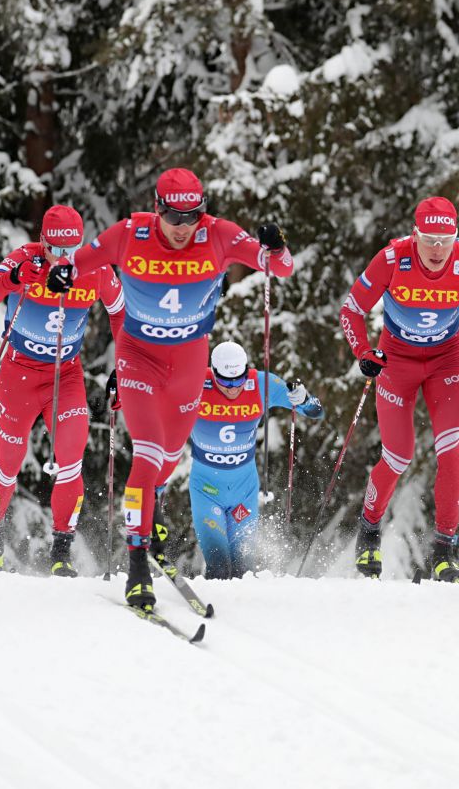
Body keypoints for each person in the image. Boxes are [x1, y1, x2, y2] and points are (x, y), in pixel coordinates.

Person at [46, 168, 294, 609]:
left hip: (189, 362)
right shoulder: (129, 233)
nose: (183, 227)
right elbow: (75, 263)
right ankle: (138, 564)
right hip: (138, 356)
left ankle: (151, 516)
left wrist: (277, 247)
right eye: (174, 217)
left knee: (169, 458)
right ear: (157, 208)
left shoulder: (218, 234)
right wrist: (61, 274)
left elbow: (280, 267)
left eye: (192, 216)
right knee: (147, 454)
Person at [339, 197, 459, 582]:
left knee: (450, 451)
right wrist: (364, 352)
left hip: (447, 361)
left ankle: (444, 550)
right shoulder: (392, 259)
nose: (437, 249)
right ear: (414, 236)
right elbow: (351, 309)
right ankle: (368, 530)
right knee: (398, 456)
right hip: (396, 360)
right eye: (429, 239)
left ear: (455, 237)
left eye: (445, 239)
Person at [0, 204, 125, 576]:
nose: (63, 258)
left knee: (71, 458)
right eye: (56, 249)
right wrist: (14, 279)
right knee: (7, 464)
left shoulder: (95, 267)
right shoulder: (24, 259)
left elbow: (121, 312)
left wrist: (123, 368)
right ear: (42, 242)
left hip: (65, 377)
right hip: (18, 376)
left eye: (71, 250)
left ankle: (61, 553)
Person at [187, 340, 324, 578]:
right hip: (206, 489)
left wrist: (303, 399)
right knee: (218, 565)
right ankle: (213, 611)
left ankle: (241, 614)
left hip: (244, 491)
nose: (232, 387)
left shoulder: (261, 383)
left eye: (238, 379)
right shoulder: (194, 381)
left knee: (243, 568)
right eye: (225, 380)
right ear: (213, 372)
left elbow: (315, 411)